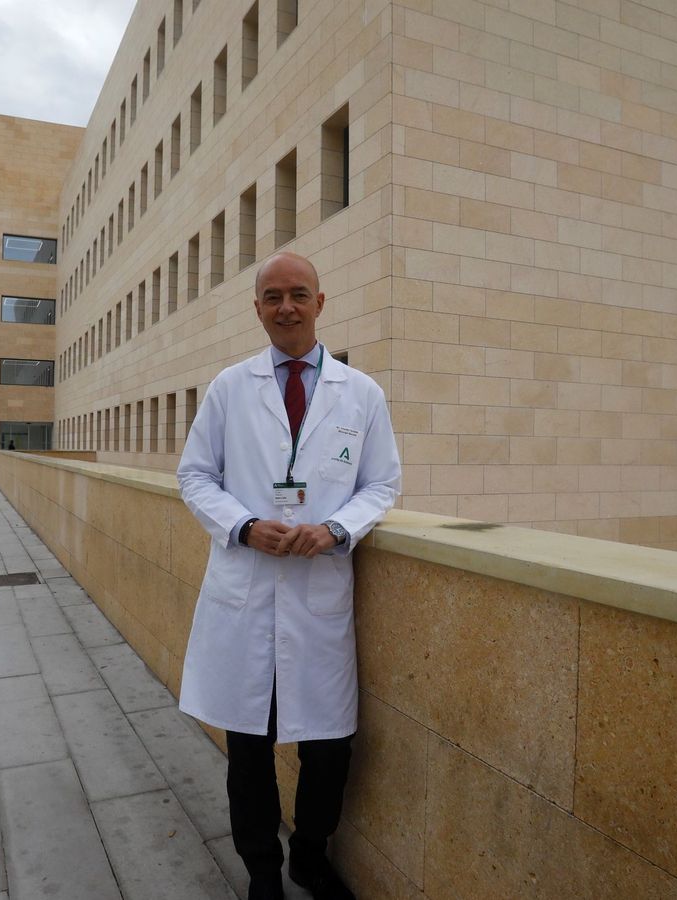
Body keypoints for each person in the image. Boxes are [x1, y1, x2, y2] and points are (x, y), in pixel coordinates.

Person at [176, 251, 400, 900]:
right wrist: (244, 525)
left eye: (298, 294)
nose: (286, 307)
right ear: (257, 309)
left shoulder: (360, 395)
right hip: (245, 592)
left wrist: (336, 529)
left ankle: (308, 855)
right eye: (272, 297)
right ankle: (263, 875)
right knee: (248, 751)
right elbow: (194, 475)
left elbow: (383, 483)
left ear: (321, 303)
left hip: (317, 594)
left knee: (328, 749)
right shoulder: (228, 388)